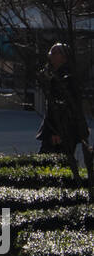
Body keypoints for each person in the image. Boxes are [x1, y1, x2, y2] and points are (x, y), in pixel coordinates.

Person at [37, 43, 94, 194]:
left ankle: (62, 192)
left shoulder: (66, 78)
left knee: (55, 161)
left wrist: (58, 131)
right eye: (51, 52)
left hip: (62, 129)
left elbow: (64, 107)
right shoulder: (52, 73)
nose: (50, 55)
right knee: (49, 161)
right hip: (55, 127)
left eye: (54, 53)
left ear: (63, 57)